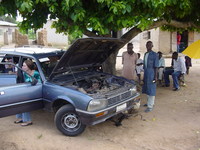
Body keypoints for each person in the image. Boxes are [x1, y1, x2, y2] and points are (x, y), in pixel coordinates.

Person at [14, 60, 41, 126]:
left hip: (36, 91)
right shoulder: (24, 74)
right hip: (28, 91)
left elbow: (40, 83)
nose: (22, 67)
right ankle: (20, 117)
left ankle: (28, 120)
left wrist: (34, 83)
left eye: (24, 66)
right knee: (18, 100)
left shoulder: (36, 73)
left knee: (24, 102)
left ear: (29, 67)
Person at [142, 41, 159, 113]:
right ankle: (149, 102)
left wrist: (155, 76)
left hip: (152, 73)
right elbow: (144, 65)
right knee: (147, 89)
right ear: (146, 46)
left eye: (150, 45)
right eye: (147, 45)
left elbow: (156, 67)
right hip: (146, 73)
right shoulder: (145, 54)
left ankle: (150, 106)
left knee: (151, 89)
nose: (148, 46)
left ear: (152, 46)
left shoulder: (155, 55)